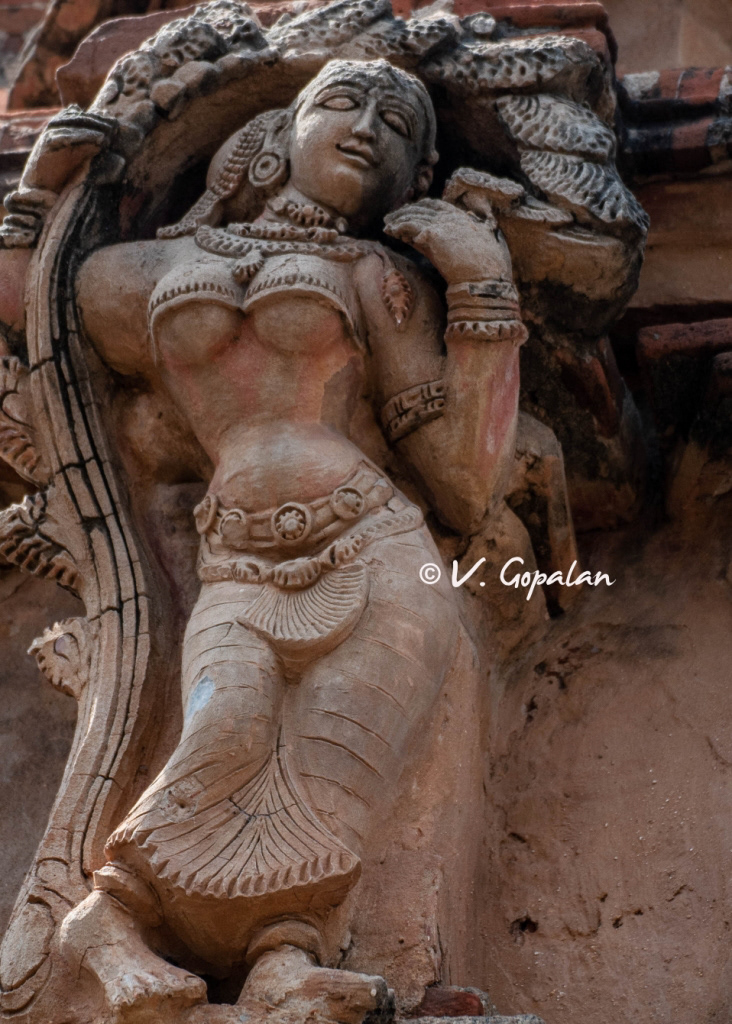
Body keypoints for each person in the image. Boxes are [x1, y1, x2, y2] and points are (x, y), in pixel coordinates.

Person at [59, 57, 526, 1022]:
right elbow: (44, 327)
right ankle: (107, 919)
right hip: (236, 555)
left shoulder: (379, 279)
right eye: (342, 102)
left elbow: (464, 482)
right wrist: (39, 200)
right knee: (223, 727)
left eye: (399, 125)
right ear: (276, 134)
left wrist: (483, 283)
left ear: (413, 177)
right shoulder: (135, 273)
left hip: (374, 544)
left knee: (334, 767)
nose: (368, 128)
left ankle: (284, 960)